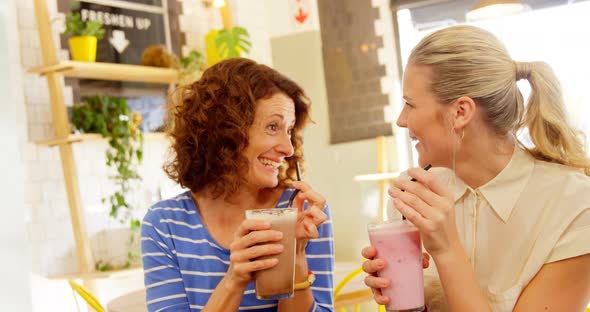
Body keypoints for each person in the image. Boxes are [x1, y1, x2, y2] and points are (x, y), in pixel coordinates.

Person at [361, 25, 590, 311]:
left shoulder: (575, 206)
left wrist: (446, 251)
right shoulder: (413, 193)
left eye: (410, 104)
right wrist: (398, 296)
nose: (401, 120)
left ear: (460, 112)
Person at [141, 58, 334, 312]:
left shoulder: (303, 212)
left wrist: (295, 256)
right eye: (272, 126)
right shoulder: (165, 225)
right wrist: (235, 279)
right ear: (225, 132)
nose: (287, 148)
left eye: (288, 130)